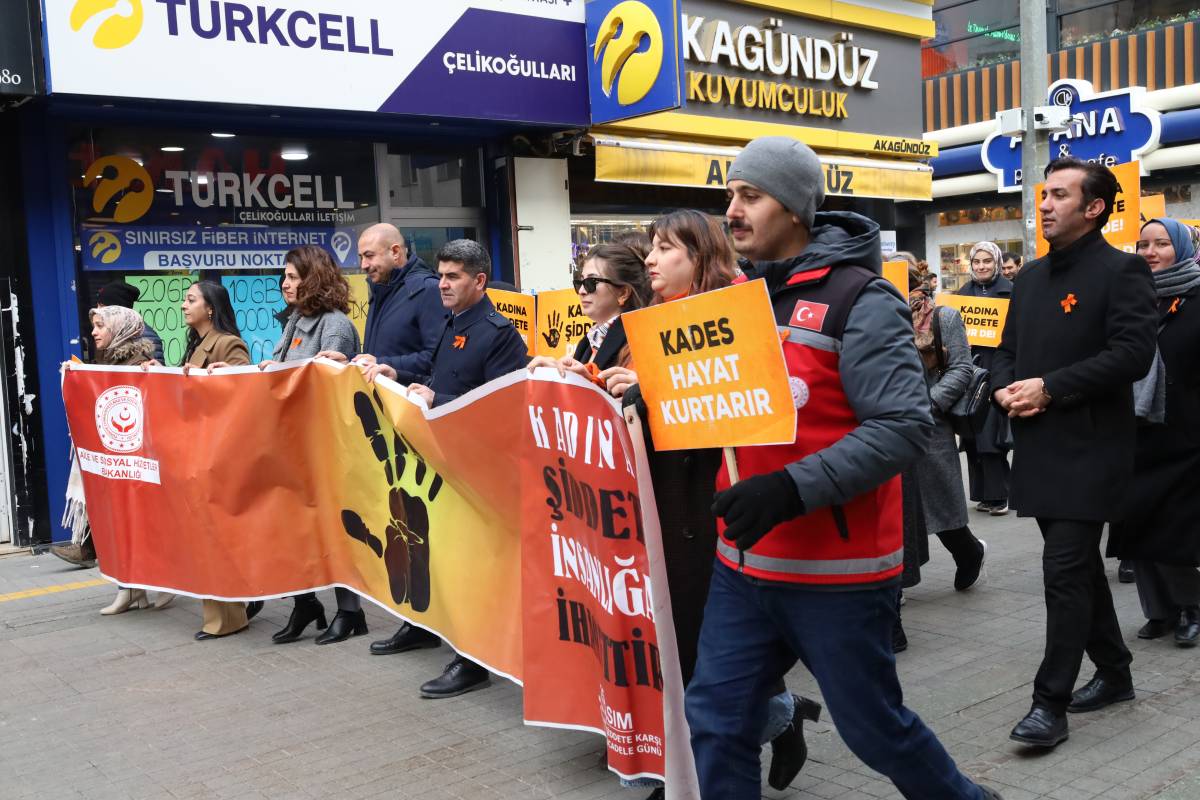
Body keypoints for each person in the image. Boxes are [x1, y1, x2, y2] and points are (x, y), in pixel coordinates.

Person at [683, 137, 1001, 800]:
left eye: (751, 196)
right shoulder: (737, 296)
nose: (732, 210)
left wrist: (789, 488)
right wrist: (648, 396)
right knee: (715, 718)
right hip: (743, 565)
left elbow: (903, 427)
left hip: (836, 574)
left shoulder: (863, 298)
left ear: (795, 207)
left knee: (873, 728)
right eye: (730, 194)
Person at [992, 157, 1157, 748]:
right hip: (1038, 447)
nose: (1044, 205)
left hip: (1092, 450)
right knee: (1080, 569)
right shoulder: (1030, 277)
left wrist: (1051, 387)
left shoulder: (1122, 270)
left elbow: (1132, 354)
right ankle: (1115, 672)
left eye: (1059, 195)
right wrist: (1003, 388)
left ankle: (1049, 704)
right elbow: (1007, 350)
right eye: (1043, 194)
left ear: (1093, 208)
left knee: (1062, 572)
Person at [365, 239, 527, 697]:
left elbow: (503, 407)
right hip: (445, 464)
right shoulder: (452, 322)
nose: (442, 284)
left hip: (481, 472)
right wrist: (398, 374)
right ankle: (429, 628)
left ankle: (472, 660)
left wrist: (440, 399)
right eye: (440, 275)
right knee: (440, 555)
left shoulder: (499, 334)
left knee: (472, 566)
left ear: (479, 280)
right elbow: (432, 373)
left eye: (453, 276)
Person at [332, 224, 451, 658]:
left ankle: (433, 621)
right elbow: (382, 355)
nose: (362, 265)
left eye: (369, 256)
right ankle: (417, 620)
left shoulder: (423, 291)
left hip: (417, 426)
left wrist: (386, 363)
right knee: (403, 520)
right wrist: (353, 361)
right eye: (361, 257)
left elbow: (435, 357)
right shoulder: (385, 290)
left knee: (421, 525)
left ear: (396, 252)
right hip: (392, 428)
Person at [258, 245, 366, 645]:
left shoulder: (334, 325)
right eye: (284, 277)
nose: (284, 284)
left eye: (292, 276)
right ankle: (306, 604)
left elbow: (329, 388)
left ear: (314, 278)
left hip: (325, 448)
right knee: (297, 529)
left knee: (333, 529)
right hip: (297, 444)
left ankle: (350, 611)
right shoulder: (296, 320)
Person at [1109, 218, 1200, 648]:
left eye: (1161, 244)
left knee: (1176, 531)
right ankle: (1158, 611)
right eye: (1143, 244)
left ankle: (1190, 607)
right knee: (1139, 527)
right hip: (1135, 431)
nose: (1150, 252)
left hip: (1185, 435)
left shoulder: (1197, 298)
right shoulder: (1130, 299)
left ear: (1180, 248)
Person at [895, 267, 988, 650]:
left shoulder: (943, 316)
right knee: (897, 507)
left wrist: (929, 404)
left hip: (928, 422)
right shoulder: (873, 313)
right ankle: (894, 587)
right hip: (886, 424)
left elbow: (962, 367)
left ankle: (969, 551)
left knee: (939, 503)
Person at [52, 306, 167, 613]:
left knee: (138, 525)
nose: (94, 332)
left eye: (100, 325)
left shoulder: (139, 362)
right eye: (94, 325)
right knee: (120, 523)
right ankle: (131, 588)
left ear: (119, 327)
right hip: (118, 460)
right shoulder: (108, 360)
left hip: (136, 460)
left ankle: (145, 585)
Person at [179, 280, 263, 641]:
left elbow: (244, 396)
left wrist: (223, 379)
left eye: (191, 299)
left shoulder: (227, 344)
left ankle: (228, 617)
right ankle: (232, 608)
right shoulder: (196, 344)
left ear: (210, 308)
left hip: (220, 457)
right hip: (200, 452)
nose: (184, 305)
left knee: (217, 537)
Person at [527, 242, 651, 380]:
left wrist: (589, 379)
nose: (581, 291)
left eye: (591, 282)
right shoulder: (588, 341)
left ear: (623, 293)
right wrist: (557, 374)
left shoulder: (638, 342)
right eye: (580, 282)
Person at [957, 241, 1014, 515]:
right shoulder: (961, 295)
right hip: (967, 374)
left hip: (997, 371)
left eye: (987, 261)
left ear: (997, 263)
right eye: (977, 262)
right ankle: (984, 494)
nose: (981, 266)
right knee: (972, 436)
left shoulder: (1011, 292)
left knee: (990, 437)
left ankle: (1001, 494)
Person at [96, 280, 165, 362]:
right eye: (97, 305)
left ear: (118, 310)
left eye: (102, 306)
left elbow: (155, 368)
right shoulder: (107, 334)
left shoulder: (147, 337)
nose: (97, 310)